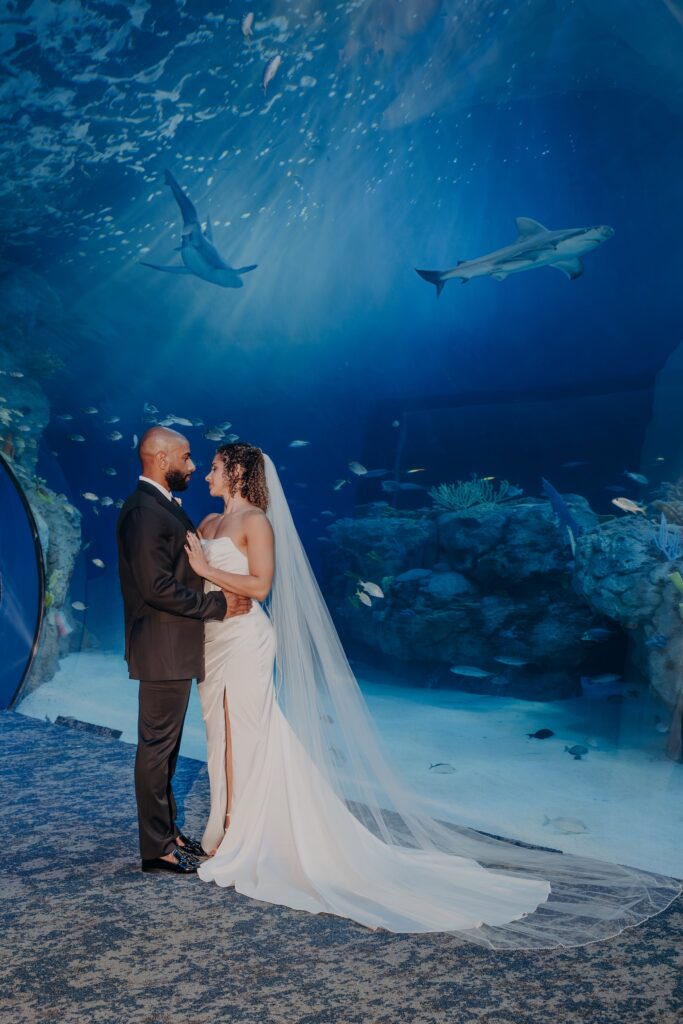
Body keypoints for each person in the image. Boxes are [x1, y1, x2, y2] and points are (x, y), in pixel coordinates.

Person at [184, 442, 681, 944]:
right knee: (221, 733)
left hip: (247, 641)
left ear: (239, 472)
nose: (207, 473)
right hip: (215, 639)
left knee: (247, 731)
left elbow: (262, 586)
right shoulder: (208, 521)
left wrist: (206, 571)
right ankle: (234, 827)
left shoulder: (256, 522)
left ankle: (240, 833)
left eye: (215, 466)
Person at [116, 427, 251, 875]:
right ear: (160, 459)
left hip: (172, 647)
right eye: (187, 458)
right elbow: (156, 587)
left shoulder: (159, 506)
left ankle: (166, 832)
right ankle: (157, 849)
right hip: (162, 647)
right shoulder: (143, 511)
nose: (193, 466)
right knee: (156, 748)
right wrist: (217, 605)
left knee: (165, 749)